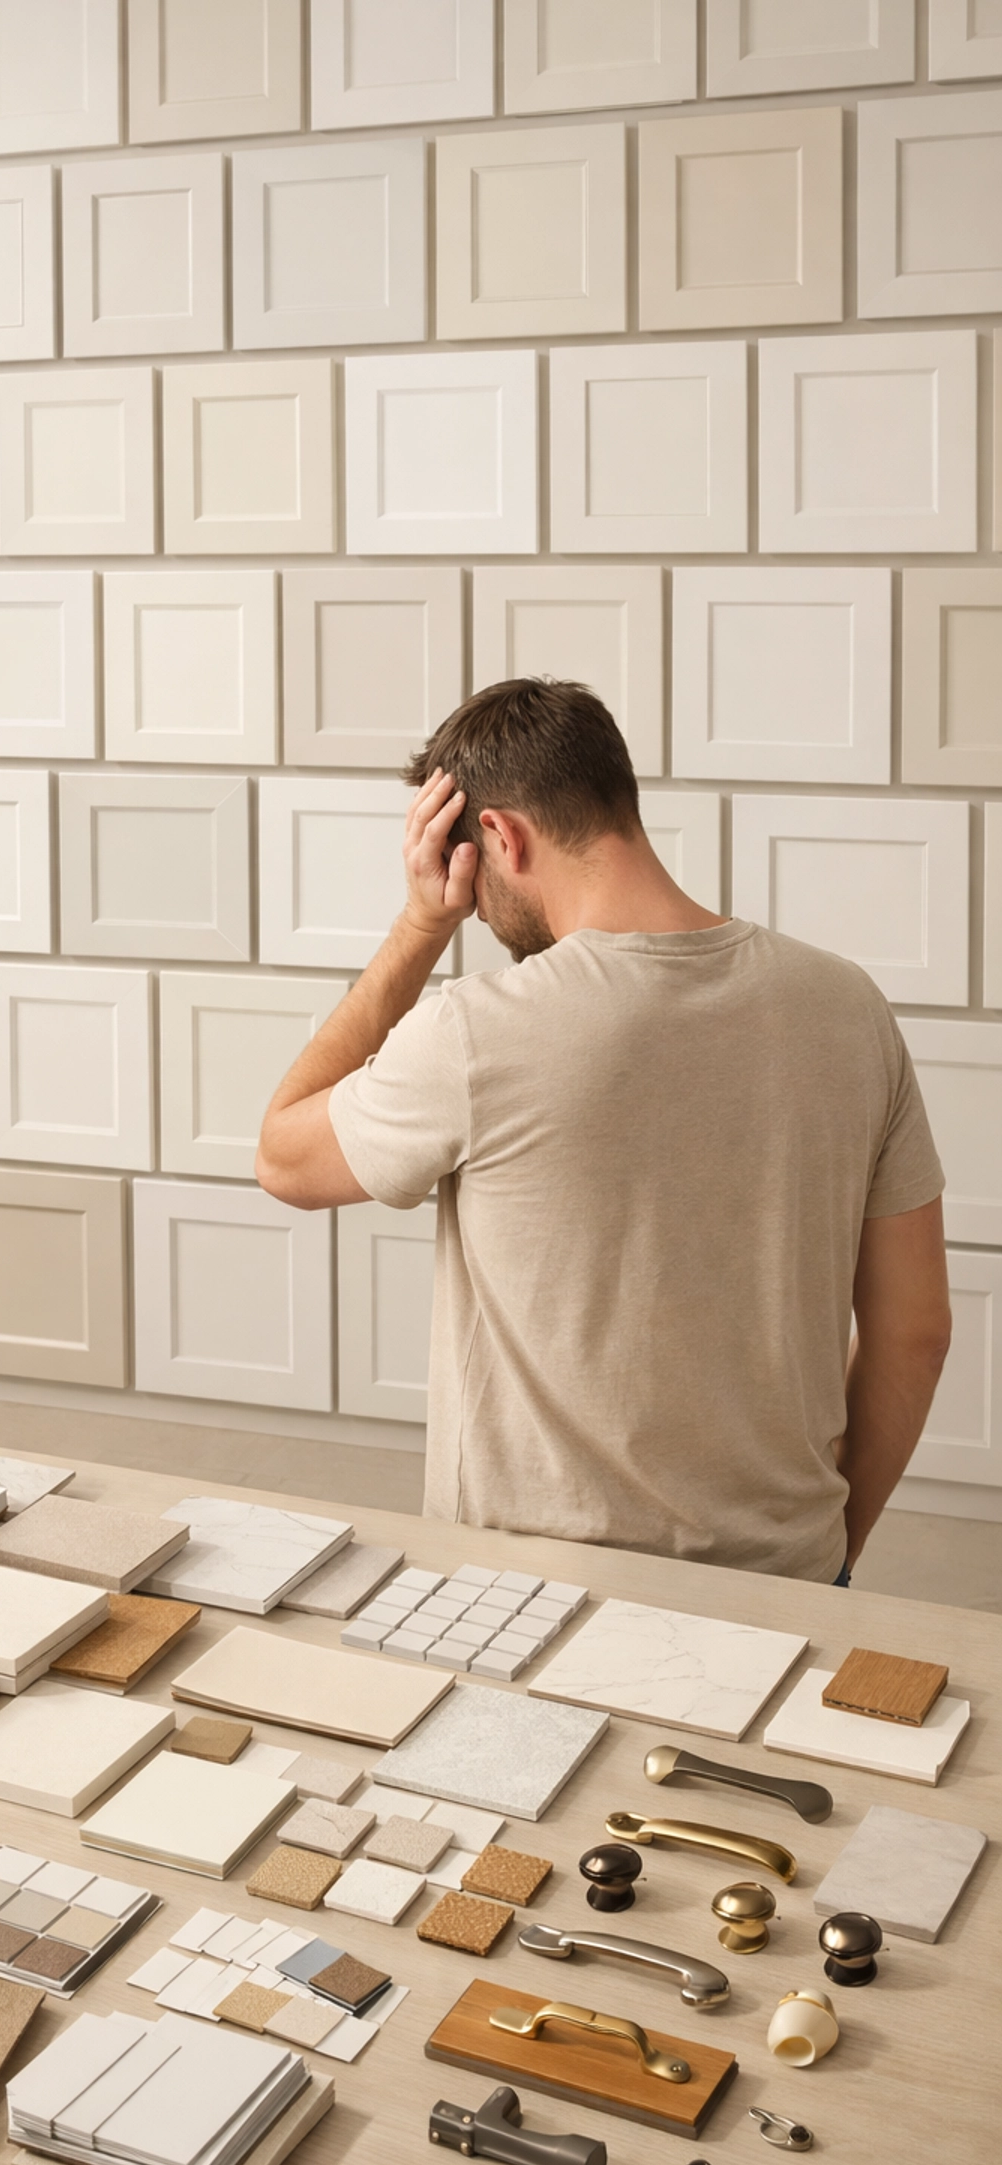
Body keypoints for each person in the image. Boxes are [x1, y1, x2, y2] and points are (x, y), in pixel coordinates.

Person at [256, 678, 951, 1583]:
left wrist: (423, 923)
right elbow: (915, 1334)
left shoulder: (477, 1031)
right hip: (789, 1580)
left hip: (523, 1592)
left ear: (498, 839)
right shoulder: (849, 1008)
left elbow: (282, 1156)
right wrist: (825, 1559)